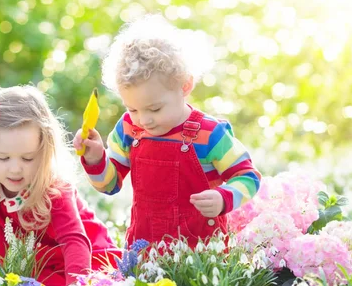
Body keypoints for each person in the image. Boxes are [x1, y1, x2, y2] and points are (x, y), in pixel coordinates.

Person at [74, 14, 262, 249]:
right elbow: (110, 185)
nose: (144, 120)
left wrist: (223, 198)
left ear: (185, 86)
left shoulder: (210, 134)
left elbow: (248, 177)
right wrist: (94, 157)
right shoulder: (128, 129)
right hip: (144, 253)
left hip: (201, 257)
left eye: (155, 108)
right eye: (132, 108)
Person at [0, 85, 120, 286]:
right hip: (43, 271)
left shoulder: (54, 187)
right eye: (3, 158)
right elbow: (2, 261)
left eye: (28, 158)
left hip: (87, 261)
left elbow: (74, 241)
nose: (15, 169)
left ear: (44, 152)